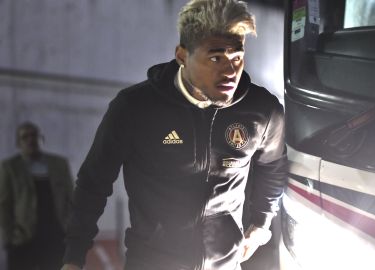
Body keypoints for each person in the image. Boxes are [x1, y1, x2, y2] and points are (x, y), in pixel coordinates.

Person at [61, 0, 287, 269]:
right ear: (182, 56)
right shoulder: (135, 107)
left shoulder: (263, 110)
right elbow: (93, 183)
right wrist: (73, 258)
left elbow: (273, 166)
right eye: (215, 58)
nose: (230, 71)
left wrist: (261, 222)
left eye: (236, 58)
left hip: (225, 264)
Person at [0, 121, 74, 270]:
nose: (30, 139)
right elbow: (3, 204)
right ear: (18, 143)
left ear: (41, 139)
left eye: (34, 135)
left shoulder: (59, 164)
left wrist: (69, 227)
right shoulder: (10, 167)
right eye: (24, 137)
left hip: (55, 236)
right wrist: (10, 236)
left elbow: (71, 197)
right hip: (22, 238)